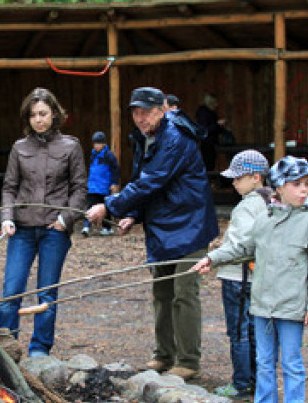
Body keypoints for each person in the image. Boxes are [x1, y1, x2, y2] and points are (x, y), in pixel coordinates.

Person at [86, 86, 218, 380]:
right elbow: (142, 181)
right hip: (162, 226)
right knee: (162, 292)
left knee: (184, 293)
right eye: (136, 112)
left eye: (146, 112)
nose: (140, 118)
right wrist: (133, 214)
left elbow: (152, 181)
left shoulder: (175, 137)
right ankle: (163, 355)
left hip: (190, 224)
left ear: (162, 110)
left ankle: (188, 360)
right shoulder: (143, 137)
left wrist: (108, 206)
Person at [197, 156, 308, 403]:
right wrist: (212, 258)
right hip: (262, 305)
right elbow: (243, 247)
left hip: (292, 306)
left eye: (306, 184)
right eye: (296, 184)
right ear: (279, 187)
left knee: (292, 363)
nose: (303, 190)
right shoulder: (264, 219)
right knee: (264, 360)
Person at [0, 87, 87, 358]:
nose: (39, 119)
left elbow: (79, 189)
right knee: (12, 290)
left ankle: (39, 349)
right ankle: (6, 347)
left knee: (47, 293)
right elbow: (9, 187)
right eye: (33, 115)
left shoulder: (70, 146)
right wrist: (7, 218)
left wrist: (65, 218)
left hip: (53, 230)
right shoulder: (19, 148)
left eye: (43, 113)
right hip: (22, 228)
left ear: (54, 114)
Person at [191, 150, 272, 399]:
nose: (234, 183)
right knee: (254, 330)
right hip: (257, 278)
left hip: (239, 278)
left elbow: (241, 246)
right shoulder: (272, 201)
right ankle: (256, 381)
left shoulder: (247, 207)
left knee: (239, 332)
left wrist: (212, 258)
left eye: (238, 178)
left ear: (256, 177)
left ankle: (241, 384)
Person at [81, 131, 120, 238]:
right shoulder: (93, 155)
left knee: (105, 208)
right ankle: (86, 226)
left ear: (104, 144)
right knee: (90, 207)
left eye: (99, 143)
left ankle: (107, 227)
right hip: (93, 186)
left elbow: (115, 170)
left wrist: (114, 183)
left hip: (104, 187)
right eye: (95, 143)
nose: (97, 146)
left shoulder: (109, 156)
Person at [194, 92, 222, 171]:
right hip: (207, 143)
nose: (217, 105)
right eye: (215, 102)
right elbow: (204, 129)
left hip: (211, 142)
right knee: (208, 165)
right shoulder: (204, 113)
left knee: (211, 165)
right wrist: (217, 124)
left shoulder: (211, 113)